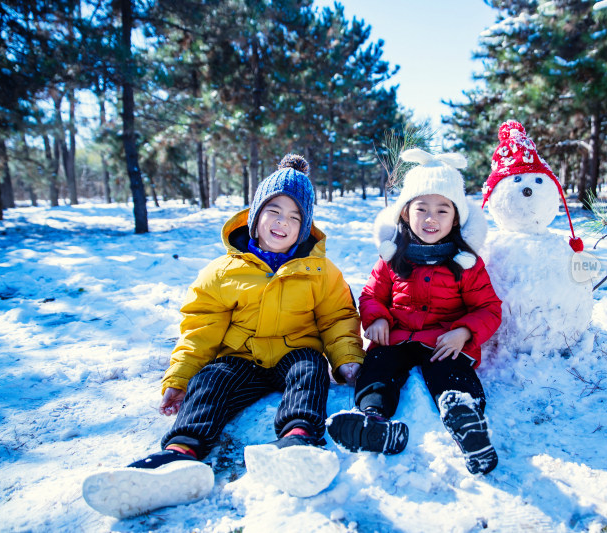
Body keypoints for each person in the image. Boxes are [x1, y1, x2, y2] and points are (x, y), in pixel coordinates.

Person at [83, 154, 364, 518]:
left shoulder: (321, 272)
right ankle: (180, 454)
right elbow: (202, 326)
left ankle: (297, 443)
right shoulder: (222, 271)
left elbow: (337, 318)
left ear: (306, 226)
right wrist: (181, 377)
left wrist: (346, 361)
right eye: (275, 212)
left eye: (296, 217)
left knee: (310, 369)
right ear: (254, 215)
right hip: (240, 359)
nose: (283, 223)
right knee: (211, 379)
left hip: (295, 352)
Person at [327, 148, 502, 475]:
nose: (431, 218)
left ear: (456, 217)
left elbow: (488, 307)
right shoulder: (392, 257)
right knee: (377, 366)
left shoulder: (465, 263)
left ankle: (465, 417)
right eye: (421, 208)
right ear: (406, 213)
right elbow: (370, 294)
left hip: (442, 339)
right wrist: (377, 316)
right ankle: (373, 420)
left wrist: (464, 332)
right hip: (396, 337)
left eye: (442, 210)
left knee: (450, 371)